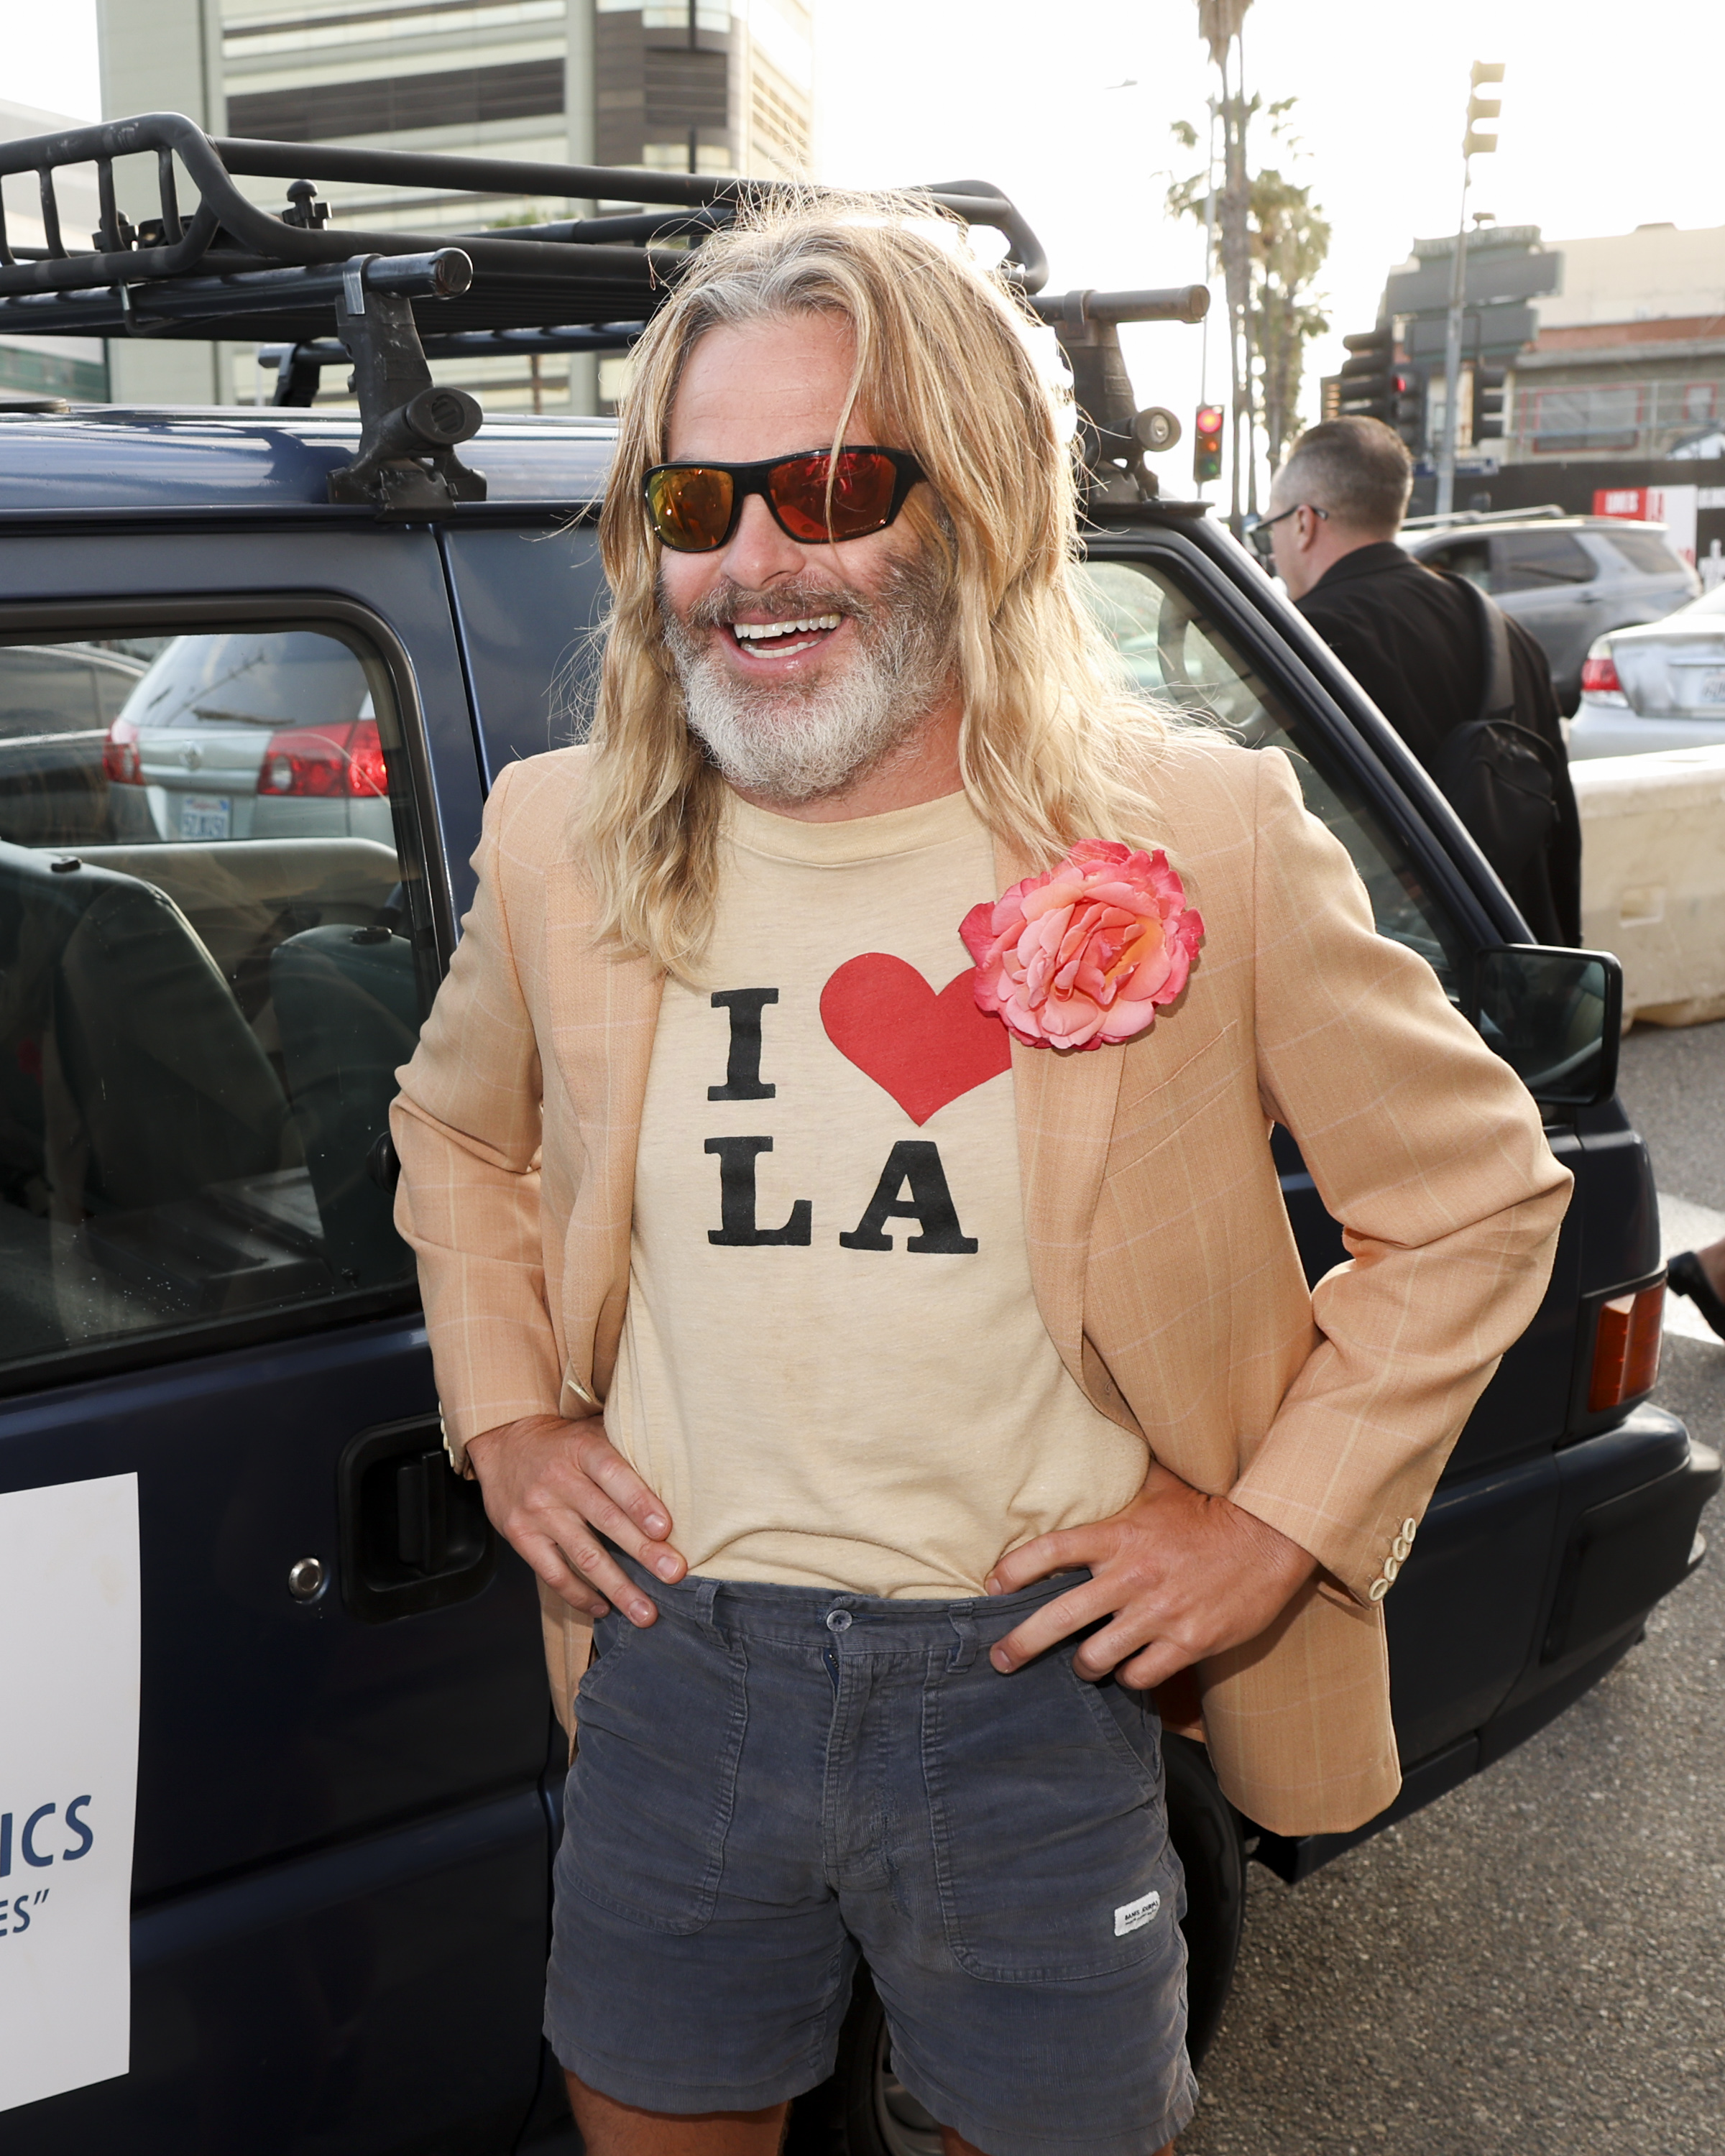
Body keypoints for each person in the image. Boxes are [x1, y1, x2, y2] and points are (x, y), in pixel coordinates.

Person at [390, 200, 1573, 2156]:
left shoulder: (1196, 831)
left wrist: (1270, 1528)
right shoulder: (558, 842)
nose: (752, 563)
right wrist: (507, 1412)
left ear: (978, 499)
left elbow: (1475, 1196)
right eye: (697, 503)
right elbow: (456, 1131)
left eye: (833, 486)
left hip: (1032, 1685)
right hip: (680, 1663)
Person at [1263, 416, 1583, 948]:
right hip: (1509, 971)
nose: (1273, 550)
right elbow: (1559, 834)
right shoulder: (1509, 635)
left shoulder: (1308, 643)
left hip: (1400, 983)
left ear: (1303, 523)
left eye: (1269, 530)